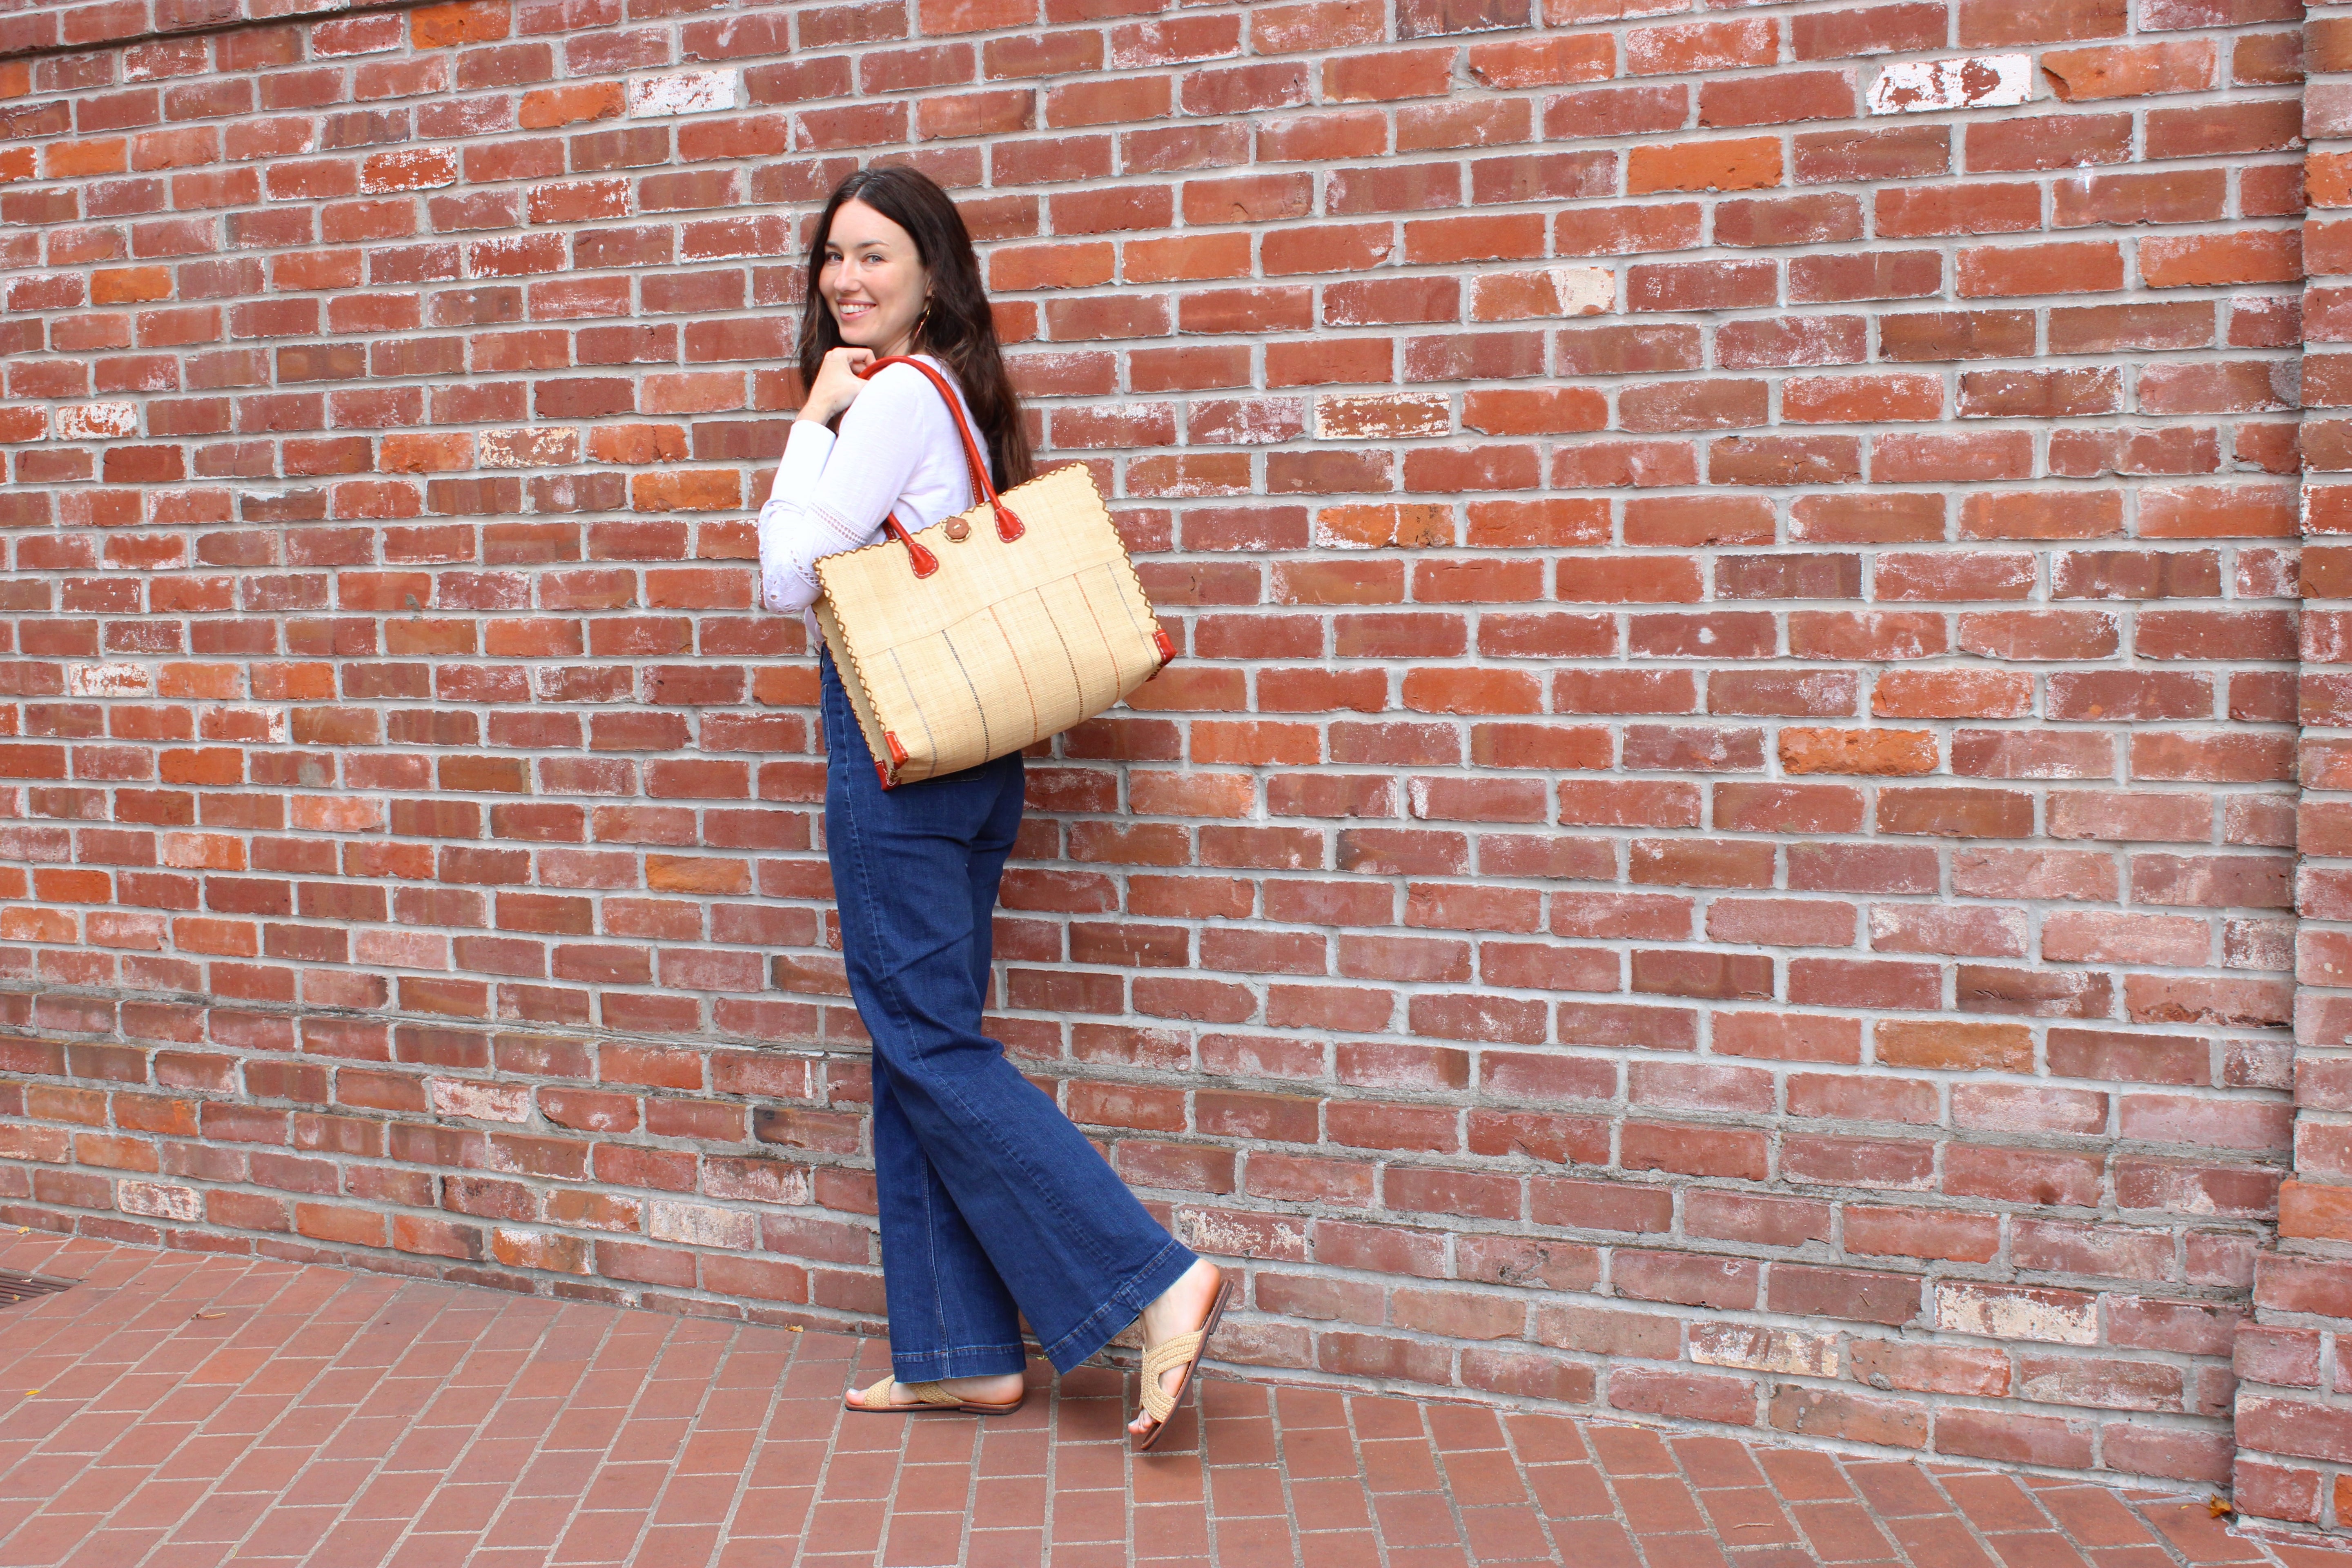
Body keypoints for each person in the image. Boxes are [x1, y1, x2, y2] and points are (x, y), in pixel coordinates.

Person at [753, 165, 1230, 1450]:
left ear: (930, 272)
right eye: (832, 259)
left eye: (875, 257)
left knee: (924, 1040)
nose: (848, 281)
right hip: (972, 754)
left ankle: (1151, 1275)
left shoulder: (897, 395)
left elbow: (789, 575)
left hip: (901, 747)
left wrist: (811, 418)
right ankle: (959, 1352)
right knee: (916, 1040)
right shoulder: (953, 396)